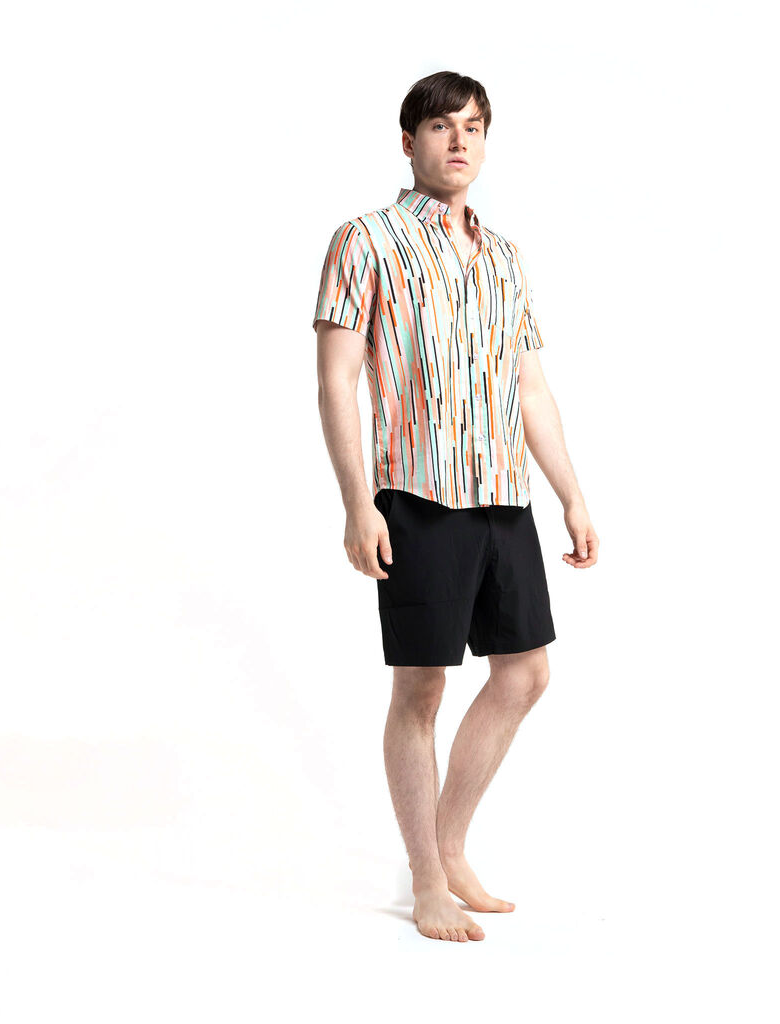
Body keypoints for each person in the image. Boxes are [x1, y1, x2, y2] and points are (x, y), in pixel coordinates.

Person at [312, 71, 599, 942]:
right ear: (410, 143)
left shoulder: (505, 256)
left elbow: (530, 386)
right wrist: (358, 504)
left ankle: (449, 846)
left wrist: (572, 495)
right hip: (418, 495)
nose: (459, 140)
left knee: (526, 673)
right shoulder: (366, 240)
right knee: (423, 685)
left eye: (473, 126)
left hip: (503, 494)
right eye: (441, 127)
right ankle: (427, 880)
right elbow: (337, 379)